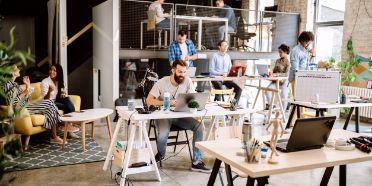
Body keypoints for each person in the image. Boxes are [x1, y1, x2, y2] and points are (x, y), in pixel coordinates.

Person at [146, 59, 211, 173]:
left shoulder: (187, 81)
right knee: (163, 135)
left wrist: (196, 105)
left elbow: (193, 98)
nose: (182, 75)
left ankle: (196, 161)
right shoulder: (161, 82)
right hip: (163, 116)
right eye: (180, 72)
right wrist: (166, 103)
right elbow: (149, 100)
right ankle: (161, 155)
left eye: (184, 72)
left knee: (199, 126)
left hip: (180, 115)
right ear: (173, 70)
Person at [4, 65, 65, 144]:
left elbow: (26, 98)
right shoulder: (7, 85)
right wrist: (26, 91)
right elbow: (12, 102)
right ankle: (55, 134)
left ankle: (54, 135)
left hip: (26, 105)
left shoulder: (15, 84)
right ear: (12, 73)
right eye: (16, 69)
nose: (19, 69)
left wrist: (28, 85)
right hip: (21, 109)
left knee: (50, 103)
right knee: (49, 103)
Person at [41, 64, 79, 137]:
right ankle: (67, 127)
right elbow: (46, 99)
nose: (51, 72)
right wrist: (49, 90)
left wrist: (64, 95)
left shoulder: (60, 81)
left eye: (54, 70)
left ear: (58, 72)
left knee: (68, 99)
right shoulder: (45, 82)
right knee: (67, 106)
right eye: (50, 70)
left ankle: (68, 128)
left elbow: (63, 94)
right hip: (48, 103)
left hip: (57, 101)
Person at [264, 44, 290, 110]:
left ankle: (283, 112)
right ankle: (272, 105)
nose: (279, 54)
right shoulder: (277, 60)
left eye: (281, 52)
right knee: (267, 91)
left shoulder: (288, 62)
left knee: (283, 96)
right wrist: (271, 73)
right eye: (279, 52)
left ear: (285, 52)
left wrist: (276, 74)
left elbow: (286, 74)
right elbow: (274, 71)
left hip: (283, 82)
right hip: (275, 81)